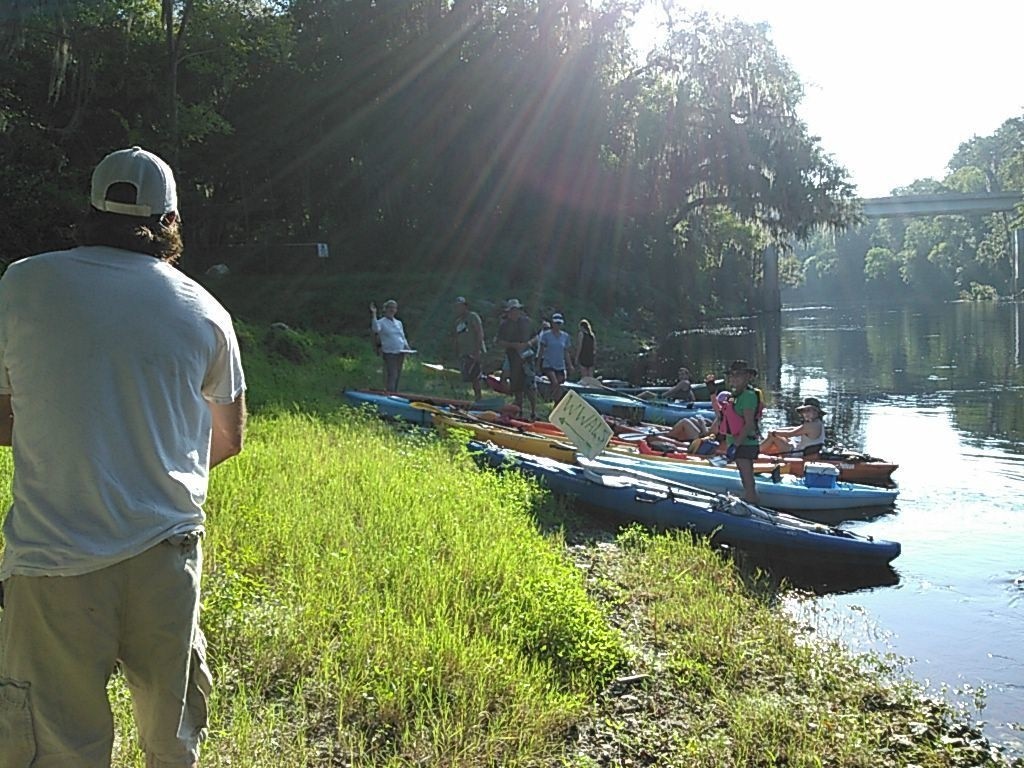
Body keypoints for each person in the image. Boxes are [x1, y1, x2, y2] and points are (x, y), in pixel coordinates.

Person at [0, 146, 247, 767]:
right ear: (171, 221)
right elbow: (228, 436)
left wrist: (64, 438)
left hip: (51, 559)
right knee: (170, 740)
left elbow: (4, 415)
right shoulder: (206, 311)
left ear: (91, 208)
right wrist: (150, 461)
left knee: (56, 745)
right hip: (165, 558)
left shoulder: (23, 283)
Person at [721, 359, 763, 504]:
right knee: (746, 481)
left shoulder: (748, 396)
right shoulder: (736, 395)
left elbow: (749, 423)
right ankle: (750, 503)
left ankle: (754, 510)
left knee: (748, 482)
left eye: (738, 375)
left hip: (744, 444)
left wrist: (735, 445)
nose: (734, 378)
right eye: (732, 375)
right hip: (738, 443)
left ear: (747, 377)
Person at [496, 298, 537, 420]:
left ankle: (534, 411)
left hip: (527, 357)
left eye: (516, 310)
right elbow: (499, 341)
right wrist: (513, 345)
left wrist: (528, 344)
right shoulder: (504, 325)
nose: (514, 313)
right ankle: (519, 411)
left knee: (530, 385)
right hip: (513, 357)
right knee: (517, 386)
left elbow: (536, 337)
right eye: (512, 311)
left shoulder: (527, 322)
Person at [370, 298, 413, 391]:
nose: (392, 310)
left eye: (394, 308)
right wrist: (374, 314)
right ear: (386, 309)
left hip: (400, 351)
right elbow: (375, 329)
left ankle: (395, 392)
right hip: (389, 352)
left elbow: (402, 335)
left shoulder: (398, 322)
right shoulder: (381, 322)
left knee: (398, 374)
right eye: (390, 308)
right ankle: (389, 392)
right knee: (392, 374)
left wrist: (406, 345)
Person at [761, 397, 827, 456]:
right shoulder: (818, 423)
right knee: (781, 436)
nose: (805, 413)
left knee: (773, 437)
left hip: (797, 454)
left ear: (816, 412)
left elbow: (790, 433)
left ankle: (754, 453)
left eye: (808, 410)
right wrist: (777, 430)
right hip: (800, 451)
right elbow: (794, 428)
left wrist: (773, 433)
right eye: (804, 411)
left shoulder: (810, 425)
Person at [453, 296, 486, 401]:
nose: (458, 309)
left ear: (465, 306)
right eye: (456, 307)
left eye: (460, 306)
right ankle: (466, 399)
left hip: (475, 351)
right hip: (464, 352)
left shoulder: (473, 317)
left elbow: (479, 333)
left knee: (476, 376)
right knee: (466, 375)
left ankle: (479, 398)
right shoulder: (458, 321)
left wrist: (477, 351)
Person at [537, 312, 574, 400]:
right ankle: (552, 399)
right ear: (552, 323)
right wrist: (538, 364)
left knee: (559, 384)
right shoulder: (546, 335)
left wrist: (570, 365)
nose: (557, 325)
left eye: (559, 323)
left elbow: (566, 352)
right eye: (556, 323)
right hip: (548, 363)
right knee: (554, 382)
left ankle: (555, 402)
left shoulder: (565, 336)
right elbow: (541, 350)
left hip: (560, 364)